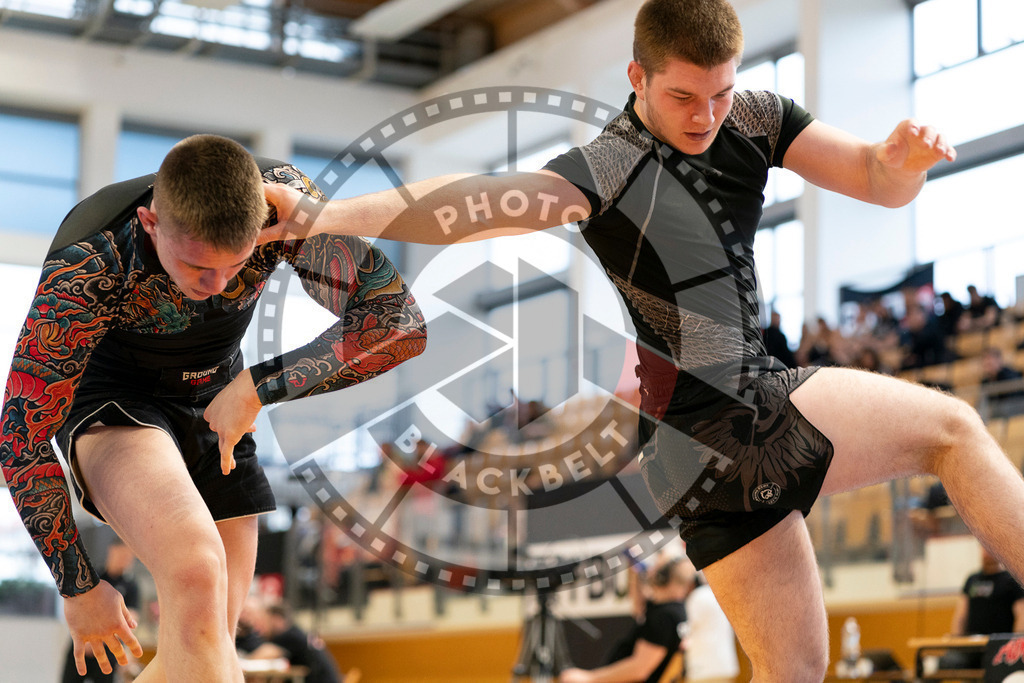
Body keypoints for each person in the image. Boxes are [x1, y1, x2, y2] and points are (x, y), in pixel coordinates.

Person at [259, 1, 1024, 680]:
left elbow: (875, 180)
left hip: (686, 457)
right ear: (638, 77)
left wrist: (900, 163)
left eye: (721, 92)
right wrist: (324, 216)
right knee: (954, 431)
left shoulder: (757, 117)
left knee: (792, 668)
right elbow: (470, 204)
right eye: (683, 96)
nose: (706, 115)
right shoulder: (611, 165)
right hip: (733, 404)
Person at [0, 134, 426, 680]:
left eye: (237, 265)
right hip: (115, 400)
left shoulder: (283, 205)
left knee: (208, 645)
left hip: (219, 394)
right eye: (198, 266)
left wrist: (258, 386)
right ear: (152, 224)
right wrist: (77, 586)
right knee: (198, 570)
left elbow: (399, 323)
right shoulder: (90, 260)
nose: (218, 284)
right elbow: (20, 434)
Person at [559, 556, 692, 683]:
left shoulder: (664, 617)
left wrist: (590, 678)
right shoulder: (670, 611)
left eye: (655, 567)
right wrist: (634, 573)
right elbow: (640, 606)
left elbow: (640, 669)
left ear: (662, 577)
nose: (649, 570)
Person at [60, 540, 141, 683]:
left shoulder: (131, 585)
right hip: (83, 642)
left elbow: (131, 619)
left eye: (129, 557)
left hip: (108, 647)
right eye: (122, 554)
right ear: (112, 551)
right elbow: (79, 608)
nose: (125, 559)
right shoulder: (93, 576)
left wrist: (102, 636)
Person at [940, 546, 1024, 670]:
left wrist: (1014, 645)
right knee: (945, 662)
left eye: (990, 548)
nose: (987, 552)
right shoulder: (972, 580)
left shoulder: (1011, 580)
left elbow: (1021, 615)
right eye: (984, 548)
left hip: (998, 646)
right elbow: (961, 616)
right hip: (972, 647)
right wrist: (955, 640)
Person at [238, 597, 343, 683]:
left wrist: (238, 661)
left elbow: (265, 653)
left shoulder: (288, 636)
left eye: (262, 620)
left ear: (276, 619)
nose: (258, 627)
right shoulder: (296, 633)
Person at [980, 346, 1024, 418]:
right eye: (985, 359)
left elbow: (1014, 401)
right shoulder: (985, 382)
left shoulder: (1009, 375)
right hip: (999, 414)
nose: (987, 362)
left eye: (989, 359)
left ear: (999, 360)